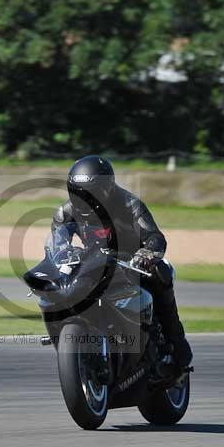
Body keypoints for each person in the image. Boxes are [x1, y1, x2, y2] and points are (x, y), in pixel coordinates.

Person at [50, 155, 193, 374]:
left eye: (89, 193)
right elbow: (57, 242)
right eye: (77, 192)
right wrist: (61, 256)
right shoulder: (65, 213)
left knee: (161, 272)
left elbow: (154, 236)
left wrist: (146, 254)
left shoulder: (129, 204)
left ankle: (176, 341)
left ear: (106, 189)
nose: (83, 199)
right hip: (92, 262)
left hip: (131, 261)